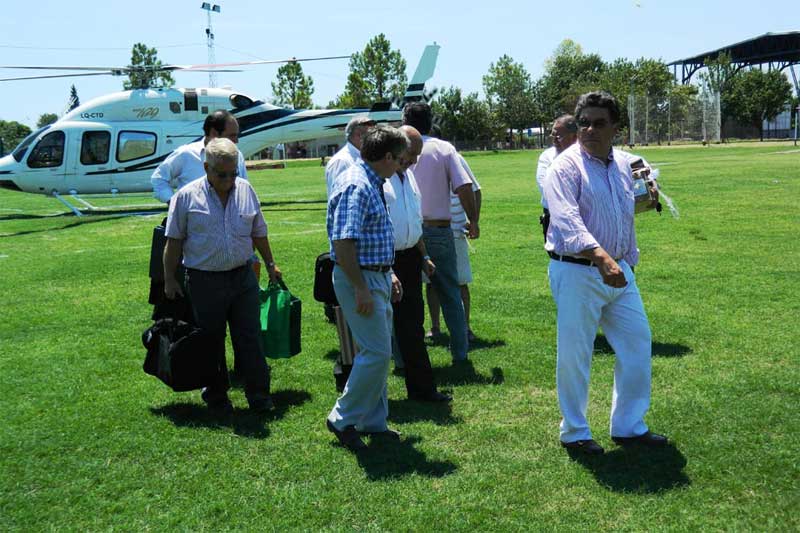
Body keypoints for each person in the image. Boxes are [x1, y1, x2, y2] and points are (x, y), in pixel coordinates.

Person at [543, 91, 666, 455]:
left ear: (616, 128)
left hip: (619, 270)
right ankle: (575, 432)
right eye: (584, 123)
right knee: (575, 353)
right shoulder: (564, 168)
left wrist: (627, 255)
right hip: (578, 270)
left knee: (636, 344)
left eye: (599, 123)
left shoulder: (627, 163)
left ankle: (628, 426)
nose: (589, 129)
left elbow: (632, 205)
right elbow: (566, 220)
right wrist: (601, 257)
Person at [162, 138, 281, 415]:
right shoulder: (186, 196)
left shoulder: (246, 191)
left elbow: (259, 232)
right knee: (211, 340)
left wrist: (270, 263)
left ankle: (259, 395)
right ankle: (216, 396)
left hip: (243, 277)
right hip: (205, 280)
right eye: (221, 174)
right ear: (206, 167)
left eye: (233, 173)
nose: (229, 179)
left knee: (249, 338)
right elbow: (174, 241)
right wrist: (169, 278)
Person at [325, 125, 408, 451]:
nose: (402, 164)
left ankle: (373, 422)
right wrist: (361, 287)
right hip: (358, 278)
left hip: (374, 276)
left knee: (375, 351)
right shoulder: (356, 185)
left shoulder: (371, 182)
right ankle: (342, 418)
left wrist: (388, 274)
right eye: (400, 158)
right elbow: (343, 242)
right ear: (386, 157)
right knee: (376, 352)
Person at [402, 102, 477, 363]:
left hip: (406, 232)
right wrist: (473, 220)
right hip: (438, 229)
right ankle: (460, 353)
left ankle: (405, 358)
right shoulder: (444, 149)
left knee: (405, 297)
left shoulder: (398, 148)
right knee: (450, 294)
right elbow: (465, 187)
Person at [384, 125, 452, 402]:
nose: (413, 161)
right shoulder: (381, 180)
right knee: (379, 329)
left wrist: (423, 255)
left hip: (410, 257)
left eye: (417, 156)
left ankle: (422, 390)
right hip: (385, 261)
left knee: (413, 325)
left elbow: (414, 221)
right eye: (411, 154)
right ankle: (368, 400)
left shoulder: (409, 178)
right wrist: (387, 269)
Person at [426, 153, 482, 342]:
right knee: (431, 281)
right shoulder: (414, 157)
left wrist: (473, 221)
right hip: (428, 228)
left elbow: (474, 189)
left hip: (456, 229)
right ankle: (435, 327)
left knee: (460, 282)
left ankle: (465, 327)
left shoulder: (453, 157)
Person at [151, 110, 248, 204]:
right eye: (232, 136)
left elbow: (243, 189)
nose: (236, 141)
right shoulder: (186, 154)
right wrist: (174, 203)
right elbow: (159, 178)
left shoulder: (237, 155)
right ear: (214, 133)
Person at [536, 115, 578, 240]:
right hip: (554, 217)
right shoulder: (547, 157)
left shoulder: (586, 156)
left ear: (575, 136)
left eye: (559, 136)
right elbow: (545, 188)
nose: (554, 140)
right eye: (552, 136)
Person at [325, 116, 377, 197]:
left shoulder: (365, 157)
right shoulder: (341, 161)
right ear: (358, 135)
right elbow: (338, 196)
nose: (376, 139)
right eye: (372, 135)